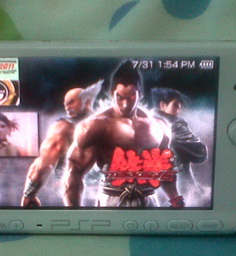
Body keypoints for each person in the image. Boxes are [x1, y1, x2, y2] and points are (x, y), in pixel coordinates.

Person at [63, 61, 184, 208]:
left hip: (149, 198)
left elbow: (165, 169)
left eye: (131, 97)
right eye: (120, 97)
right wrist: (74, 213)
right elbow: (74, 174)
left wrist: (176, 200)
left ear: (140, 95)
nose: (125, 104)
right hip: (112, 199)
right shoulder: (94, 126)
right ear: (111, 94)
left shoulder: (160, 125)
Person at [21, 80, 103, 207]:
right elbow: (44, 162)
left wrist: (28, 195)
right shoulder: (65, 128)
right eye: (65, 104)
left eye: (71, 102)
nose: (67, 107)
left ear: (87, 101)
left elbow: (43, 165)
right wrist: (29, 193)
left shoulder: (65, 128)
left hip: (99, 194)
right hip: (89, 196)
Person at [152, 87, 207, 197]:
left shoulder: (147, 124)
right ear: (162, 105)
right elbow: (200, 152)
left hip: (155, 190)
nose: (179, 110)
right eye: (175, 105)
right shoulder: (176, 126)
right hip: (182, 187)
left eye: (180, 106)